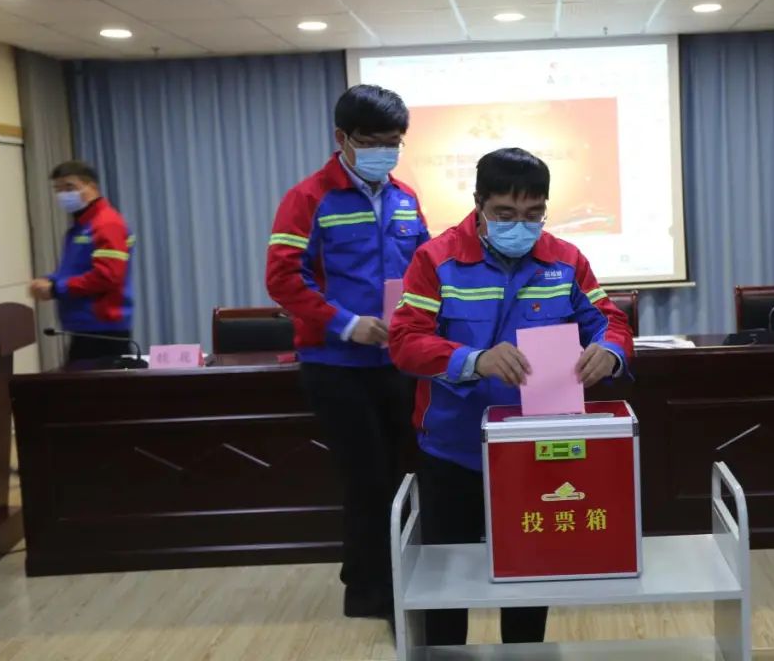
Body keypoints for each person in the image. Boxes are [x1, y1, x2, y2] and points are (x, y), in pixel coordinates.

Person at [388, 147, 633, 646]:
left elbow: (611, 321)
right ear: (478, 203)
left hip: (534, 448)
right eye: (504, 213)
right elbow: (405, 342)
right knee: (447, 586)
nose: (520, 226)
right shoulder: (436, 259)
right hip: (453, 451)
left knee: (529, 577)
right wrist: (473, 360)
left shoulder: (565, 260)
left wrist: (609, 351)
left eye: (533, 214)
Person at [266, 84, 429, 622]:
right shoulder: (308, 198)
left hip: (398, 362)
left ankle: (399, 578)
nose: (384, 151)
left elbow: (425, 269)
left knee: (405, 473)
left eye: (394, 141)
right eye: (372, 141)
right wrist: (346, 323)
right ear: (342, 138)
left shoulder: (405, 197)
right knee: (368, 478)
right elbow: (283, 279)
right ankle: (370, 594)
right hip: (336, 365)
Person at [29, 160, 134, 363]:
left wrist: (56, 288)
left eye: (70, 187)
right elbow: (77, 270)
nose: (63, 195)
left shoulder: (106, 223)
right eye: (58, 189)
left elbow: (107, 276)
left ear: (91, 187)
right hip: (85, 327)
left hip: (102, 329)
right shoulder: (82, 226)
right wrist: (51, 280)